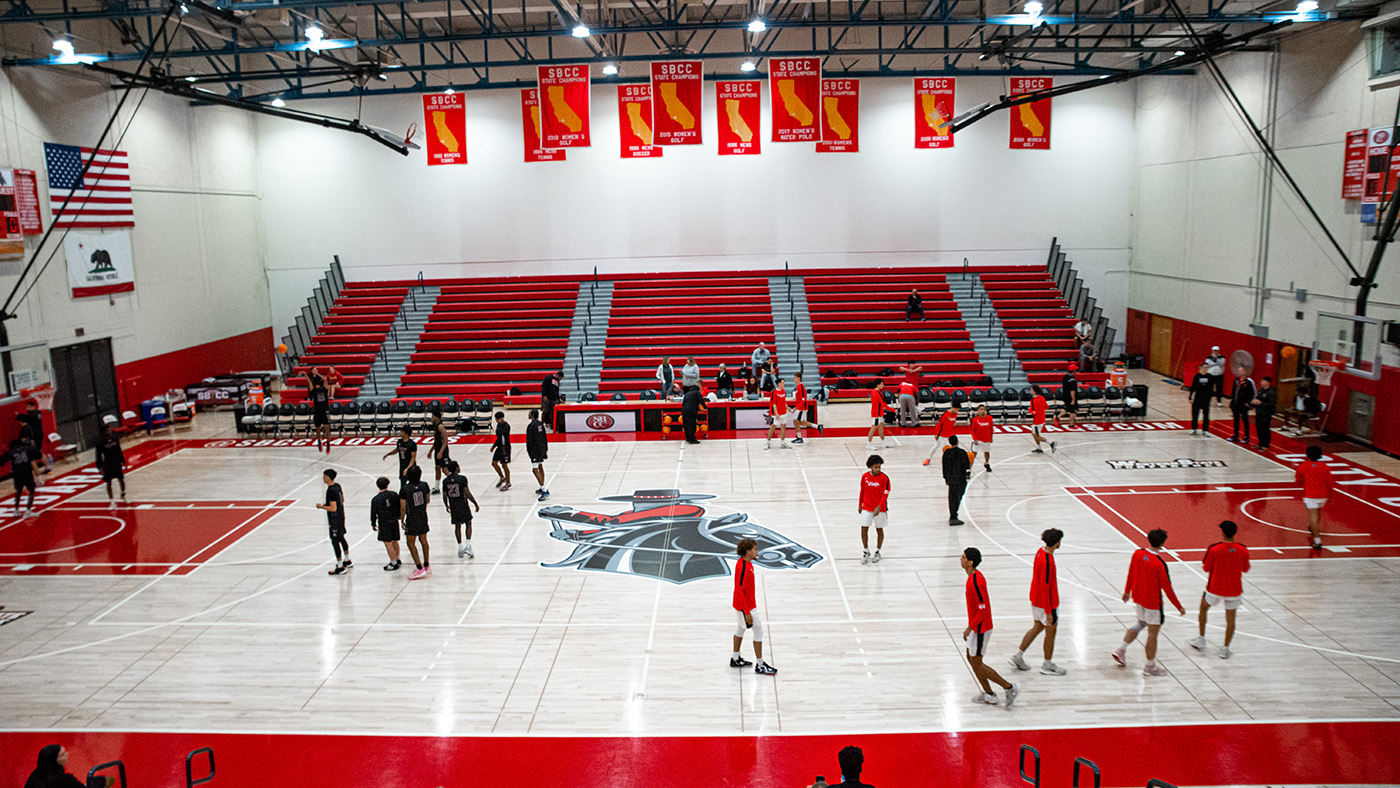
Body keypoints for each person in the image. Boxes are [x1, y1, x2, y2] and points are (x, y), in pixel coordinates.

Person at [1112, 528, 1185, 676]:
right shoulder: (1159, 563)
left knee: (1140, 623)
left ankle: (1121, 650)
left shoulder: (1138, 553)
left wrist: (1127, 591)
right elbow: (1167, 588)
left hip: (1138, 599)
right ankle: (1150, 666)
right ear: (1163, 543)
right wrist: (1179, 607)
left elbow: (1131, 572)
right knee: (1153, 634)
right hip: (1152, 603)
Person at [962, 547, 1019, 707]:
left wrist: (970, 628)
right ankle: (989, 694)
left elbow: (983, 609)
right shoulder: (973, 578)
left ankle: (1009, 687)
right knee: (971, 659)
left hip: (981, 628)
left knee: (977, 663)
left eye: (963, 557)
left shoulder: (976, 581)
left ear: (970, 562)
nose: (961, 559)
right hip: (976, 627)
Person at [1009, 528, 1067, 675]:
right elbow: (1046, 587)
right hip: (1046, 603)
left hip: (1036, 599)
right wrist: (1049, 612)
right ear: (1057, 543)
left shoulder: (1040, 552)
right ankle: (1047, 664)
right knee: (1050, 632)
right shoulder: (1048, 561)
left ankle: (1018, 656)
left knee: (1037, 627)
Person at [1190, 520, 1250, 659]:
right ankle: (1225, 648)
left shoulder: (1214, 549)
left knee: (1203, 609)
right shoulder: (1243, 550)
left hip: (1215, 588)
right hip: (1234, 590)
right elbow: (1245, 569)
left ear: (1222, 532)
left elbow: (1206, 568)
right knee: (1231, 620)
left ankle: (1201, 638)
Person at [730, 537, 777, 674]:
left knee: (740, 629)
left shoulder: (747, 564)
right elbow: (739, 590)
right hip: (746, 607)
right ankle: (760, 665)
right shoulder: (743, 567)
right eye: (755, 549)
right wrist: (747, 612)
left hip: (743, 606)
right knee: (758, 631)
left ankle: (735, 658)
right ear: (748, 551)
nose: (757, 551)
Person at [25, 744, 115, 788]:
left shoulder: (34, 777)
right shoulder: (64, 780)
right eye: (62, 755)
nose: (67, 755)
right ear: (54, 760)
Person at [1295, 445, 1333, 550]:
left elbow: (1297, 481)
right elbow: (1330, 483)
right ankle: (1313, 529)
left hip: (1311, 495)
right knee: (1318, 512)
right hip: (1323, 495)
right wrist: (1331, 496)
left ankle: (1317, 541)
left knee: (1313, 516)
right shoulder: (1325, 467)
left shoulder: (1302, 466)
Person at [400, 465, 433, 579]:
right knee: (423, 540)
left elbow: (403, 506)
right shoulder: (424, 485)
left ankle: (419, 568)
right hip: (423, 515)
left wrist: (402, 519)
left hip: (412, 517)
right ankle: (427, 565)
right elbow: (428, 500)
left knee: (410, 542)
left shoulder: (405, 489)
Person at [442, 460, 480, 559]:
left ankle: (459, 548)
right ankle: (468, 545)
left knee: (457, 526)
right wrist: (475, 503)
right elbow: (467, 493)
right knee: (468, 523)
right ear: (456, 468)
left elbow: (444, 496)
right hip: (462, 504)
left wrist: (446, 505)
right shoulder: (462, 479)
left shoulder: (445, 481)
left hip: (453, 506)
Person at [316, 468, 350, 575]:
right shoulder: (337, 486)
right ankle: (347, 560)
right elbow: (342, 499)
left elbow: (333, 508)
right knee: (341, 537)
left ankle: (340, 566)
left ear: (328, 477)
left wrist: (322, 507)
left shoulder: (330, 490)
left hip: (335, 519)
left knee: (335, 541)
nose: (323, 478)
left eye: (324, 476)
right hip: (341, 516)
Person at [858, 454, 890, 565]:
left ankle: (878, 551)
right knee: (864, 529)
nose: (878, 469)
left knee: (879, 530)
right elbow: (862, 491)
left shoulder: (885, 478)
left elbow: (885, 494)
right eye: (876, 467)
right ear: (870, 467)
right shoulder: (865, 477)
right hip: (867, 507)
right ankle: (866, 551)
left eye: (879, 467)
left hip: (880, 510)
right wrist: (860, 504)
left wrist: (879, 506)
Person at [2, 433, 41, 518]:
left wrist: (3, 453)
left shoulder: (11, 452)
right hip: (26, 472)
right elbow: (38, 454)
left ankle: (16, 510)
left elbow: (1, 462)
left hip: (16, 474)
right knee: (31, 490)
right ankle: (28, 511)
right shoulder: (27, 448)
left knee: (18, 491)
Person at [369, 476, 402, 571]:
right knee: (395, 540)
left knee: (388, 543)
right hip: (394, 520)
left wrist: (373, 523)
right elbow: (399, 505)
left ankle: (393, 562)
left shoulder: (375, 499)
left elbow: (373, 512)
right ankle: (398, 558)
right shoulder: (394, 494)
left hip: (384, 522)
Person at [94, 422, 126, 506]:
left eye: (109, 429)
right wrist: (99, 467)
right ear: (103, 432)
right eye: (107, 430)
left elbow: (119, 450)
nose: (108, 431)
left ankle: (123, 494)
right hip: (108, 464)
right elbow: (98, 456)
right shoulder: (100, 443)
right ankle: (111, 500)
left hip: (116, 462)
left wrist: (123, 461)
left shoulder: (115, 438)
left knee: (121, 479)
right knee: (109, 483)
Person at [943, 435, 971, 526]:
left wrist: (946, 477)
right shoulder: (962, 452)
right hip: (960, 477)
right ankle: (954, 515)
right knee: (958, 495)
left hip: (951, 478)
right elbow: (967, 465)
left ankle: (953, 515)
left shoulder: (947, 453)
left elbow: (944, 466)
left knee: (952, 496)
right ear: (957, 441)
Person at [525, 409, 550, 500]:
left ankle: (544, 489)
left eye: (529, 412)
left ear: (532, 415)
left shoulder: (531, 426)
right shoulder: (540, 424)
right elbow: (544, 437)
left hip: (535, 450)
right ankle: (541, 486)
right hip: (541, 448)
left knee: (535, 469)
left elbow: (529, 441)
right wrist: (545, 449)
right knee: (540, 466)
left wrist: (529, 452)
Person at [16, 401, 48, 471]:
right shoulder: (37, 413)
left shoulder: (34, 414)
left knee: (37, 453)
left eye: (28, 407)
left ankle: (43, 468)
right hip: (39, 434)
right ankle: (46, 467)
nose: (27, 409)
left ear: (32, 407)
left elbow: (26, 417)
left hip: (36, 435)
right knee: (39, 451)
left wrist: (18, 415)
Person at [790, 371, 821, 443]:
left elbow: (803, 399)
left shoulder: (801, 386)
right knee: (800, 422)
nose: (794, 379)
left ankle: (799, 438)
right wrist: (796, 407)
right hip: (800, 407)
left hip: (801, 408)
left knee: (796, 421)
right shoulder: (798, 387)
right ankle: (817, 427)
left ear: (799, 378)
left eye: (795, 377)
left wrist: (798, 407)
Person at [308, 369, 334, 453]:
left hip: (324, 410)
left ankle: (328, 443)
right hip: (317, 410)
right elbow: (310, 383)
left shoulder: (325, 389)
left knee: (326, 428)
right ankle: (319, 442)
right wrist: (306, 375)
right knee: (317, 428)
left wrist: (317, 373)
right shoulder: (314, 390)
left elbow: (326, 379)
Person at [865, 381, 895, 451]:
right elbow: (883, 404)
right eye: (881, 384)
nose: (883, 385)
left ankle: (884, 443)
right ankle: (868, 444)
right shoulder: (875, 393)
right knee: (873, 428)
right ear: (877, 385)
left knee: (881, 427)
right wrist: (893, 410)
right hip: (876, 414)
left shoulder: (879, 392)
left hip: (880, 413)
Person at [1186, 362, 1213, 436]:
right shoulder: (1197, 376)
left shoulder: (1210, 377)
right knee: (1195, 414)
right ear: (1201, 368)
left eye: (1207, 368)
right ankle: (1193, 428)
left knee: (1206, 415)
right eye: (1204, 367)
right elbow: (1193, 387)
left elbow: (1211, 389)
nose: (1206, 369)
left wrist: (1209, 398)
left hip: (1206, 399)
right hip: (1198, 398)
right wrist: (1190, 397)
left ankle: (1205, 430)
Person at [1229, 371, 1255, 444]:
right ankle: (1236, 435)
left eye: (1240, 371)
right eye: (1238, 371)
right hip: (1235, 404)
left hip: (1243, 405)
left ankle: (1246, 436)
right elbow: (1234, 391)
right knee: (1236, 420)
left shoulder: (1249, 382)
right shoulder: (1236, 380)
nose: (1239, 372)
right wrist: (1232, 401)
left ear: (1245, 372)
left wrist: (1248, 403)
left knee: (1245, 420)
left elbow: (1253, 393)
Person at [1252, 376, 1276, 449]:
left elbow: (1272, 404)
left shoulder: (1272, 392)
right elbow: (1258, 398)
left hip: (1266, 413)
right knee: (1259, 427)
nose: (1261, 383)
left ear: (1267, 382)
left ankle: (1266, 444)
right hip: (1259, 412)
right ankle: (1260, 443)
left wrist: (1261, 403)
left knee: (1265, 428)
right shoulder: (1261, 390)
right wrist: (1255, 401)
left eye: (1263, 381)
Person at [429, 411, 451, 493]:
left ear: (436, 417)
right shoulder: (435, 426)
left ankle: (454, 482)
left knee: (444, 469)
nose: (431, 418)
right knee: (437, 468)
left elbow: (445, 441)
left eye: (432, 416)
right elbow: (436, 441)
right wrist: (431, 451)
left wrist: (441, 452)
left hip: (443, 451)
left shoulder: (441, 427)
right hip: (437, 450)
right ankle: (437, 487)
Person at [766, 378, 789, 449]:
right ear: (779, 384)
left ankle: (782, 443)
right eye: (782, 382)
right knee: (773, 427)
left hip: (783, 412)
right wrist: (776, 413)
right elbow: (773, 404)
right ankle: (768, 442)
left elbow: (784, 401)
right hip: (777, 413)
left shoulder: (784, 391)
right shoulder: (774, 392)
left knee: (783, 427)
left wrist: (787, 407)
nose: (784, 384)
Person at [490, 411, 512, 491]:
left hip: (505, 448)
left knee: (504, 465)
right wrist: (494, 446)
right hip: (499, 447)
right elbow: (498, 437)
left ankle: (508, 482)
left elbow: (503, 435)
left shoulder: (506, 426)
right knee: (494, 463)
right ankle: (502, 477)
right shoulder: (498, 425)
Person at [1029, 386, 1054, 454]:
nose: (1030, 391)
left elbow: (1033, 411)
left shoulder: (1033, 400)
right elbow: (1046, 407)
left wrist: (1029, 410)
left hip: (1037, 420)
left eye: (1031, 390)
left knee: (1035, 435)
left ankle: (1050, 442)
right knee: (1034, 434)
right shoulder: (1042, 398)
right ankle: (1039, 447)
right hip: (1042, 418)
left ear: (1034, 391)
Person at [970, 404, 994, 473]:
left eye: (984, 409)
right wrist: (975, 439)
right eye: (981, 409)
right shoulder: (975, 420)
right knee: (973, 454)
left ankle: (986, 463)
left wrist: (991, 437)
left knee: (986, 452)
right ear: (978, 411)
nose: (983, 411)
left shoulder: (989, 418)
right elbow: (972, 430)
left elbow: (991, 428)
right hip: (978, 440)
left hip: (986, 439)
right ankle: (969, 469)